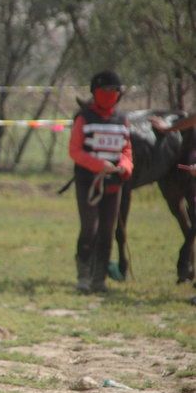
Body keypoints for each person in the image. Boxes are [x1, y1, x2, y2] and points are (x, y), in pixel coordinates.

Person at [68, 70, 133, 293]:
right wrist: (98, 165)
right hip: (88, 182)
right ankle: (83, 276)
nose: (111, 94)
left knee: (107, 230)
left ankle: (99, 278)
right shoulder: (84, 117)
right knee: (90, 228)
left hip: (114, 183)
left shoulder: (122, 119)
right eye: (106, 90)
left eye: (115, 91)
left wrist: (125, 166)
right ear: (95, 92)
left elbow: (126, 149)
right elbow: (75, 151)